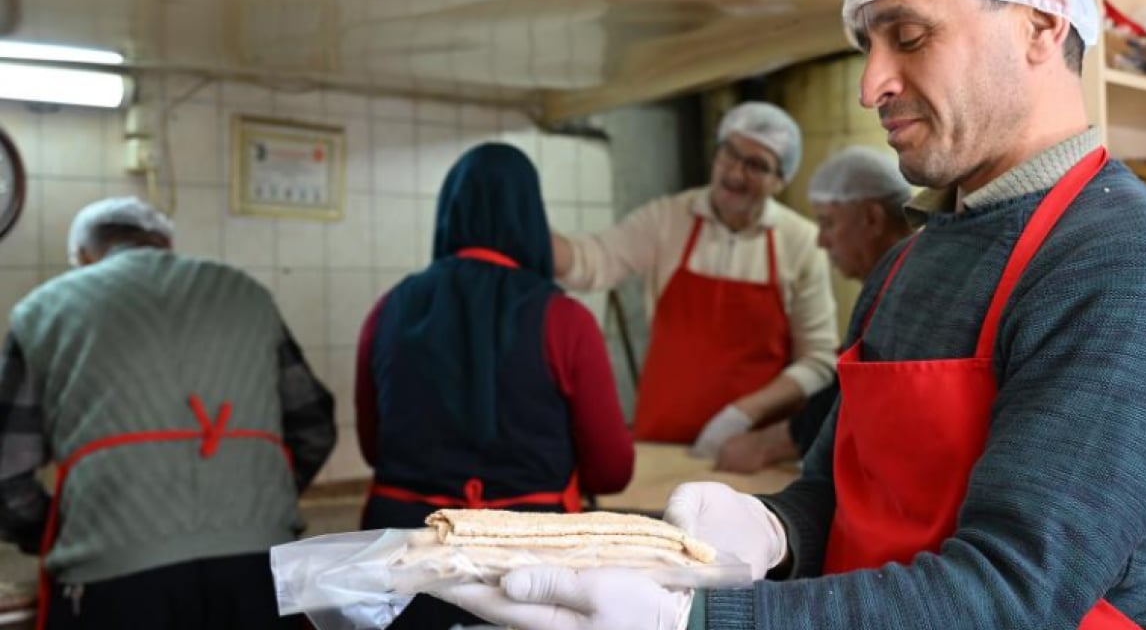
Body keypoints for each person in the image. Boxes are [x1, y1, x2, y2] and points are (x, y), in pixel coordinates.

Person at [433, 0, 1146, 628]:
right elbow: (839, 492)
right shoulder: (907, 267)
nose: (871, 85)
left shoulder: (1134, 272)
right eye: (868, 45)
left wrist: (698, 621)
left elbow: (1013, 595)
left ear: (1040, 21)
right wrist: (776, 529)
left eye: (911, 35)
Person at [0, 196, 337, 630]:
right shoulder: (246, 294)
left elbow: (7, 473)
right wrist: (257, 498)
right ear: (165, 243)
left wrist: (56, 529)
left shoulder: (41, 310)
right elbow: (314, 428)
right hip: (261, 569)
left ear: (84, 255)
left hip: (114, 577)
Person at [356, 142, 635, 630]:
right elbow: (612, 470)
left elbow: (373, 446)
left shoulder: (388, 310)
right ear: (533, 221)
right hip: (530, 574)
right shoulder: (566, 320)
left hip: (403, 567)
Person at [553, 101, 839, 458]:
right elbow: (590, 261)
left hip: (745, 454)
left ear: (780, 181)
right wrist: (532, 236)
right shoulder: (668, 219)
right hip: (660, 442)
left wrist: (743, 414)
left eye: (756, 165)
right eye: (729, 153)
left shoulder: (801, 243)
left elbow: (819, 362)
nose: (735, 172)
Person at [715, 145, 914, 474]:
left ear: (872, 218)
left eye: (828, 223)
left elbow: (863, 400)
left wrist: (768, 444)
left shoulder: (907, 293)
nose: (821, 242)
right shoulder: (884, 287)